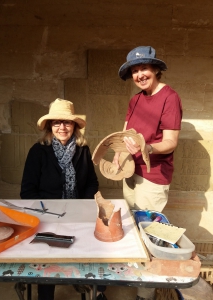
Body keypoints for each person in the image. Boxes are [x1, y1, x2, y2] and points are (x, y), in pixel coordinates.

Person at [20, 98, 107, 300]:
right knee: (49, 261)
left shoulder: (83, 150)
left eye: (67, 122)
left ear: (74, 125)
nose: (62, 127)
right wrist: (49, 212)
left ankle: (94, 288)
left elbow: (92, 183)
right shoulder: (38, 151)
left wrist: (80, 207)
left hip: (77, 215)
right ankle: (45, 295)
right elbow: (27, 191)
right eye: (56, 122)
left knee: (92, 250)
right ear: (50, 126)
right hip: (48, 217)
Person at [115, 46, 183, 300]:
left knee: (149, 235)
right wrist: (118, 155)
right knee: (131, 231)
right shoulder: (136, 99)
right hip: (131, 173)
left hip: (152, 178)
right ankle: (134, 283)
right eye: (134, 70)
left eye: (143, 68)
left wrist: (147, 147)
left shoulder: (170, 97)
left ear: (155, 69)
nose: (139, 74)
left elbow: (171, 141)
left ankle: (145, 295)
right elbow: (125, 131)